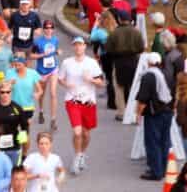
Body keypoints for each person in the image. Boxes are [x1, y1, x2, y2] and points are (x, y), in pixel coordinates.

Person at [57, 36, 105, 175]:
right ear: (73, 47)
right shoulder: (67, 63)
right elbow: (60, 79)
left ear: (85, 47)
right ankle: (77, 157)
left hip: (89, 101)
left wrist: (91, 80)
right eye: (76, 45)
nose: (78, 47)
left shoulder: (92, 63)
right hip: (72, 100)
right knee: (77, 132)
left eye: (81, 45)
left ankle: (82, 153)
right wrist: (66, 84)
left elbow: (102, 83)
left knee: (86, 133)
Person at [135, 51, 174, 181]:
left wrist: (138, 114)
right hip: (168, 111)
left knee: (153, 142)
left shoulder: (149, 76)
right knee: (165, 141)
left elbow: (143, 99)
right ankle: (164, 168)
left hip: (154, 113)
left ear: (148, 62)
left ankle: (155, 171)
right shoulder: (167, 74)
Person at [105, 15, 143, 121]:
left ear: (120, 20)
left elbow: (108, 48)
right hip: (133, 61)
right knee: (133, 87)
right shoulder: (136, 32)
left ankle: (121, 112)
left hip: (119, 61)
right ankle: (134, 112)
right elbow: (141, 47)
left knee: (119, 87)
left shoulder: (115, 33)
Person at [31, 21, 59, 127]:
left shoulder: (55, 39)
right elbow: (31, 55)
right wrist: (42, 54)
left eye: (51, 28)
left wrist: (57, 52)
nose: (49, 30)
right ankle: (41, 111)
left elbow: (55, 50)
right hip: (41, 71)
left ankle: (53, 119)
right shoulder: (37, 41)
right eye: (47, 28)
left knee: (53, 93)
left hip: (53, 69)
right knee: (41, 94)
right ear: (43, 29)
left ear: (53, 29)